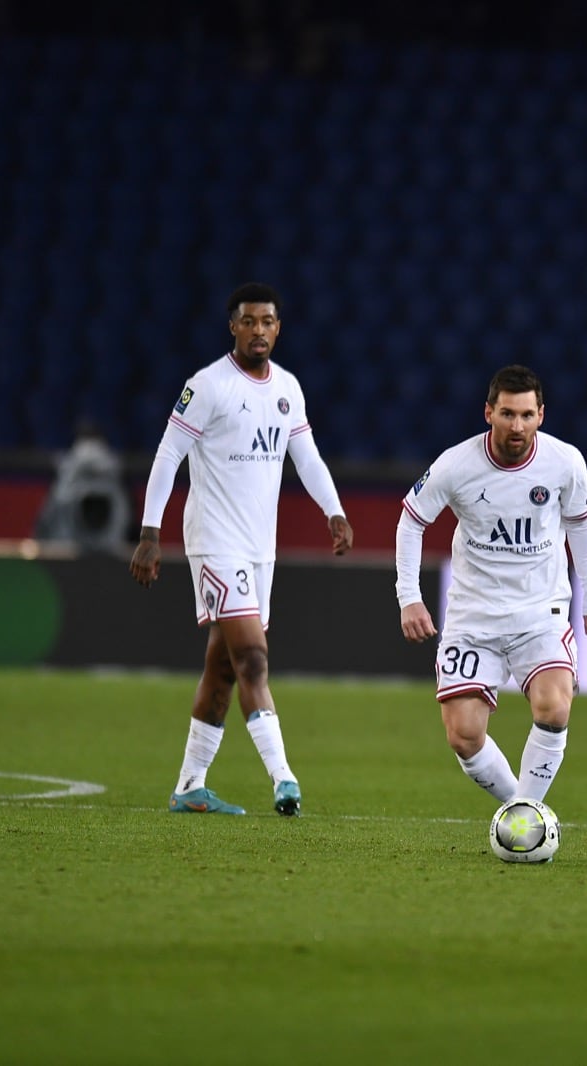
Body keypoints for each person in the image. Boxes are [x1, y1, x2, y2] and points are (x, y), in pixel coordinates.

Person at [129, 282, 353, 816]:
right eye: (249, 321)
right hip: (214, 542)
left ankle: (189, 785)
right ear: (233, 326)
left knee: (223, 668)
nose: (259, 330)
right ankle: (284, 779)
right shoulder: (207, 386)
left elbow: (308, 457)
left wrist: (335, 511)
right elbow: (168, 455)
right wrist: (149, 532)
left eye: (268, 322)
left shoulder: (288, 388)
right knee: (253, 655)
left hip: (259, 549)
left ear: (279, 328)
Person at [395, 365, 587, 808]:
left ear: (541, 416)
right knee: (463, 734)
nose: (518, 426)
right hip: (473, 617)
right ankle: (522, 807)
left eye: (527, 415)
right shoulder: (456, 465)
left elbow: (580, 526)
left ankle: (525, 818)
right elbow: (410, 522)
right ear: (488, 413)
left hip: (541, 612)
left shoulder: (565, 462)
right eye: (508, 414)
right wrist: (409, 597)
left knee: (554, 706)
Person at [35, 417, 129, 554]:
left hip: (68, 553)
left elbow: (45, 522)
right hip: (107, 554)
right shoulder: (115, 468)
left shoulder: (66, 469)